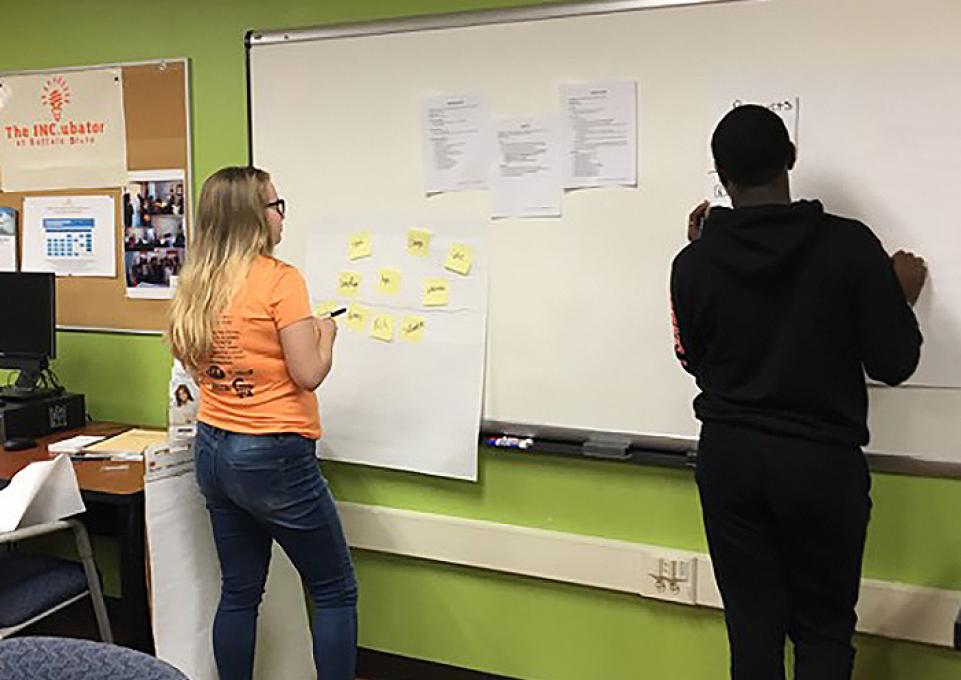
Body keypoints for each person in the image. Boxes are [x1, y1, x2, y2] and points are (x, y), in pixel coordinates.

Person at [670, 105, 926, 680]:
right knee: (823, 631)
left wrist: (703, 258)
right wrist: (896, 293)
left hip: (730, 462)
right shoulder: (851, 248)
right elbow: (894, 362)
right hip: (819, 467)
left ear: (720, 174)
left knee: (752, 630)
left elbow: (691, 359)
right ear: (790, 157)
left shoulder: (693, 262)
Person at [168, 166, 357, 680]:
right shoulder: (279, 279)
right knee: (335, 590)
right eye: (276, 206)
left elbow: (200, 369)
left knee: (240, 591)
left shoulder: (197, 283)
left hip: (213, 449)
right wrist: (327, 333)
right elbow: (308, 372)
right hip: (272, 454)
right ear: (253, 217)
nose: (281, 216)